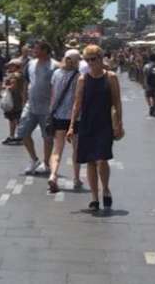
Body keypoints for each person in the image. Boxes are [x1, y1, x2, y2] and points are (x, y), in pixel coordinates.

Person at [67, 45, 124, 211]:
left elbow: (117, 102)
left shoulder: (111, 77)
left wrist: (119, 123)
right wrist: (71, 126)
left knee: (102, 159)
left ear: (101, 58)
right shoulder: (82, 79)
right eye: (88, 60)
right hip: (87, 124)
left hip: (104, 124)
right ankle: (94, 197)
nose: (91, 63)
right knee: (90, 162)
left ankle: (105, 188)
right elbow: (77, 104)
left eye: (94, 59)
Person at [16, 41, 59, 174]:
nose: (34, 51)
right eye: (33, 48)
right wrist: (24, 101)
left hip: (47, 107)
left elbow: (57, 87)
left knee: (47, 137)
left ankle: (46, 163)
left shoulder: (55, 66)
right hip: (31, 105)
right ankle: (34, 160)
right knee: (22, 132)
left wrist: (55, 106)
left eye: (37, 49)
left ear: (45, 50)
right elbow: (26, 82)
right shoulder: (30, 64)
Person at [47, 49, 82, 193]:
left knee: (57, 148)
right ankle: (76, 178)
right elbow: (79, 98)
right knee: (76, 148)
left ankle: (53, 175)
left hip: (58, 116)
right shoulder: (79, 77)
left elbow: (53, 94)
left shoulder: (56, 74)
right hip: (74, 118)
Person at [1, 59, 25, 145]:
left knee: (13, 118)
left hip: (14, 100)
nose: (9, 67)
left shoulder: (15, 76)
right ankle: (19, 136)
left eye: (11, 65)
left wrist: (6, 86)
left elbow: (13, 86)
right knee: (17, 119)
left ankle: (14, 136)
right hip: (18, 99)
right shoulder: (20, 75)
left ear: (16, 66)